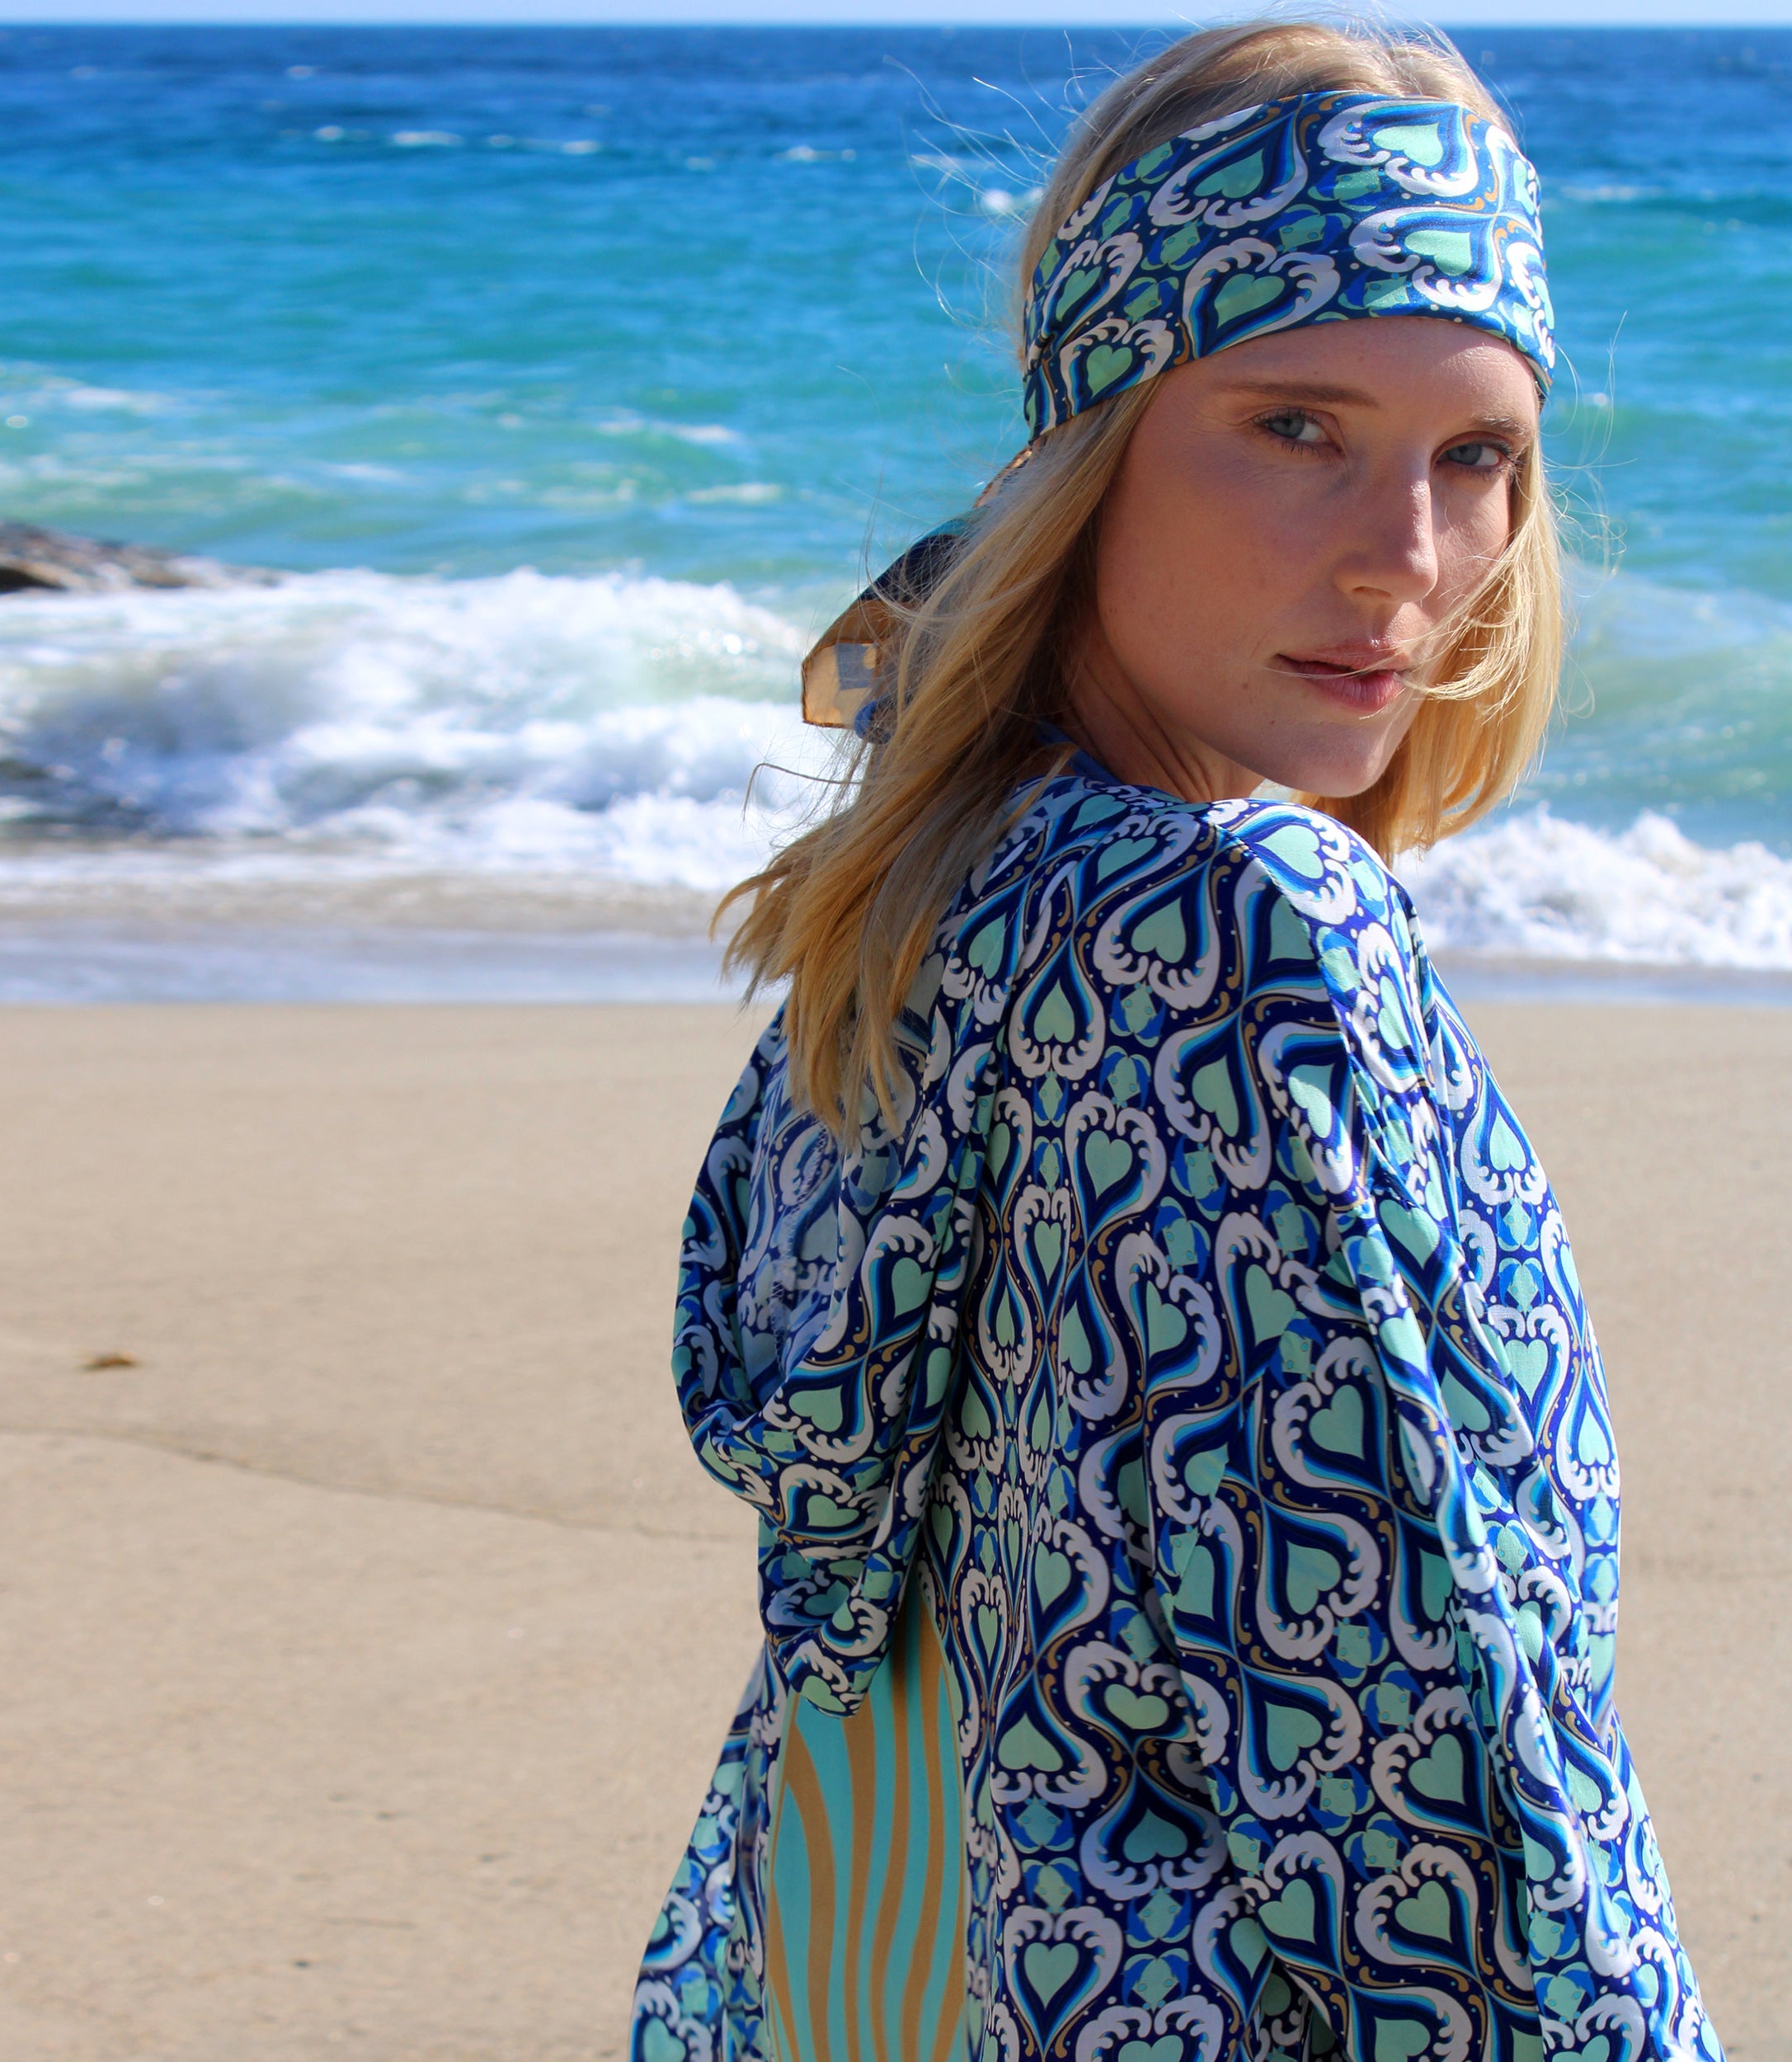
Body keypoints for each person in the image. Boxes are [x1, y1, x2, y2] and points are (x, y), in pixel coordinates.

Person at [630, 17, 1722, 2062]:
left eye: (1473, 455)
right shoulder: (1243, 927)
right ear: (1097, 434)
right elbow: (1409, 1750)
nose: (1404, 554)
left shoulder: (942, 880)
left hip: (852, 1962)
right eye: (1295, 424)